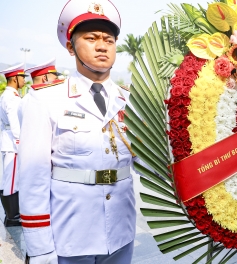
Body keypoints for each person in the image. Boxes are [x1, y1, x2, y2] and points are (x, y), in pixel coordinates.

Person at [18, 0, 138, 263]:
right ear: (71, 47)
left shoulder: (130, 101)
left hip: (120, 232)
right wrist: (40, 250)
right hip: (70, 236)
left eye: (109, 39)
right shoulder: (47, 100)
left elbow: (146, 163)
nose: (102, 45)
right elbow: (33, 179)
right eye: (91, 37)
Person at [0, 63, 27, 227]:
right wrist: (19, 142)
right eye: (22, 77)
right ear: (15, 79)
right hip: (13, 142)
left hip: (7, 139)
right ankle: (13, 216)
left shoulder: (6, 95)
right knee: (11, 181)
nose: (24, 80)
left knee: (7, 179)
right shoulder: (12, 98)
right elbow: (14, 122)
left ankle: (11, 215)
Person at [20, 58, 63, 123]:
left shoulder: (25, 100)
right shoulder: (41, 100)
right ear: (45, 78)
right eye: (55, 78)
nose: (57, 81)